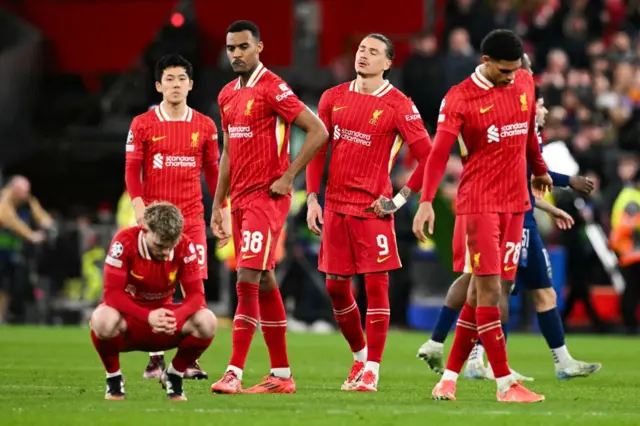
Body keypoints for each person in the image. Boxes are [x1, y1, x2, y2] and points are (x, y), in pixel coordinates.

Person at [417, 58, 601, 381]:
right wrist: (565, 180)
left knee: (495, 285)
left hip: (519, 211)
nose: (541, 109)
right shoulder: (486, 103)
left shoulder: (526, 122)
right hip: (489, 209)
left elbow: (525, 174)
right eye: (540, 103)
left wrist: (548, 206)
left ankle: (465, 358)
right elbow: (514, 168)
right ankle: (480, 360)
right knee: (489, 286)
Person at [413, 29, 552, 403]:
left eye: (515, 70)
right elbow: (438, 153)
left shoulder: (523, 80)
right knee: (488, 289)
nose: (511, 77)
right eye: (504, 71)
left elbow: (527, 135)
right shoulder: (459, 98)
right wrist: (426, 200)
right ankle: (505, 383)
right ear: (485, 62)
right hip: (479, 204)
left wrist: (539, 169)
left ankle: (448, 379)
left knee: (480, 294)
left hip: (516, 203)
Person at [305, 33, 432, 392]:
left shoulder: (399, 105)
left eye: (373, 52)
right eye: (361, 49)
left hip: (373, 209)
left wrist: (402, 198)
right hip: (335, 208)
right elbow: (317, 149)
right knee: (335, 288)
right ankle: (359, 357)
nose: (364, 55)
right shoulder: (333, 97)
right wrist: (313, 198)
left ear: (388, 63)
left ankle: (373, 369)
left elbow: (430, 156)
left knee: (377, 289)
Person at [209, 20, 328, 394]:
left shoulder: (273, 87)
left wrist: (290, 175)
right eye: (231, 48)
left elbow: (319, 130)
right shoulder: (227, 94)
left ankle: (234, 371)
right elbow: (227, 153)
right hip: (240, 199)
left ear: (259, 47)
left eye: (243, 47)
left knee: (247, 278)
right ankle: (281, 375)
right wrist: (218, 204)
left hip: (267, 198)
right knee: (263, 279)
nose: (237, 54)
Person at [125, 54, 220, 380]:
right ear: (158, 85)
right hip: (156, 221)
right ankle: (155, 359)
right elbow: (131, 170)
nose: (176, 84)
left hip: (191, 219)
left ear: (190, 84)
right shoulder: (142, 124)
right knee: (157, 290)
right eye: (169, 79)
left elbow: (212, 171)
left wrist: (220, 207)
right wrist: (139, 205)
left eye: (181, 78)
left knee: (195, 288)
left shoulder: (206, 126)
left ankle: (189, 359)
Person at [89, 202, 217, 401]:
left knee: (208, 321)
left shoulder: (184, 244)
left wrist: (177, 315)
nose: (166, 252)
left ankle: (174, 375)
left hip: (164, 320)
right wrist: (146, 316)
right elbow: (112, 295)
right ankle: (114, 379)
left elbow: (196, 296)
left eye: (170, 246)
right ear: (145, 230)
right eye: (160, 245)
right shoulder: (124, 242)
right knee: (102, 319)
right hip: (130, 319)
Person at [0, 176, 53, 323]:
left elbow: (39, 213)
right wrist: (31, 235)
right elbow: (9, 219)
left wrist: (46, 222)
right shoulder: (4, 199)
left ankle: (3, 318)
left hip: (9, 253)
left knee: (7, 286)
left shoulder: (26, 201)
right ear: (13, 190)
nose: (26, 195)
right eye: (23, 191)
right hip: (2, 251)